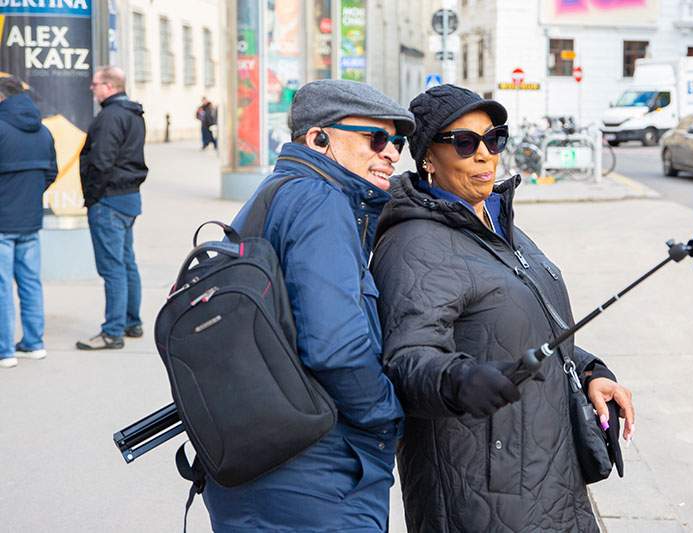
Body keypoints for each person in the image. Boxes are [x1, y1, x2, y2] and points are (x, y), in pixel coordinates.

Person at [371, 84, 637, 532]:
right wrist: (461, 380)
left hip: (548, 466)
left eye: (493, 139)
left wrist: (591, 372)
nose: (484, 155)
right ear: (428, 159)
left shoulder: (495, 220)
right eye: (464, 142)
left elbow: (530, 322)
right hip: (482, 488)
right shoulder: (413, 243)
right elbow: (406, 359)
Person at [203, 79, 414, 531]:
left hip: (257, 458)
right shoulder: (321, 201)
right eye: (376, 138)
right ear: (319, 138)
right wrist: (387, 416)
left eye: (398, 142)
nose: (393, 153)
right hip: (317, 475)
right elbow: (335, 345)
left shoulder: (278, 191)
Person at [77, 66, 148, 350]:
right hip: (129, 197)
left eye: (95, 84)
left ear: (109, 86)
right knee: (127, 262)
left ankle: (112, 331)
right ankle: (132, 322)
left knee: (113, 267)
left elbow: (101, 161)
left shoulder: (109, 117)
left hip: (108, 199)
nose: (91, 89)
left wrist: (92, 196)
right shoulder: (133, 114)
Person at [0, 76, 58, 369]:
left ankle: (4, 350)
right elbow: (51, 173)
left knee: (1, 287)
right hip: (30, 219)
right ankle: (34, 344)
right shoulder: (44, 131)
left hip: (2, 222)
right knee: (31, 283)